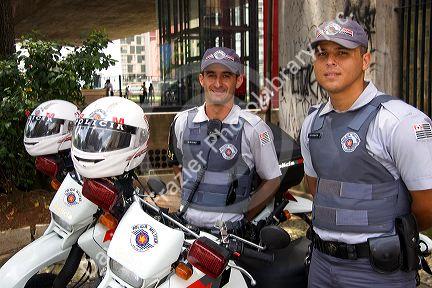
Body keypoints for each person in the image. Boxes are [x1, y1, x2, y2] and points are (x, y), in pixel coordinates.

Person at [301, 18, 432, 287]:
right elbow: (317, 189)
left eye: (342, 53)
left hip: (377, 270)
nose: (330, 61)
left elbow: (428, 204)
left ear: (364, 60)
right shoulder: (312, 123)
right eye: (322, 53)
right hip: (321, 265)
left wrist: (390, 237)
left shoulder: (398, 121)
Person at [167, 47, 281, 230]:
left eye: (226, 75)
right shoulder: (182, 122)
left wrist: (243, 220)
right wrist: (192, 196)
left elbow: (272, 180)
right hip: (186, 231)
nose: (218, 83)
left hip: (230, 237)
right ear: (201, 79)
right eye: (211, 75)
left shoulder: (253, 128)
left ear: (239, 80)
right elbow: (176, 163)